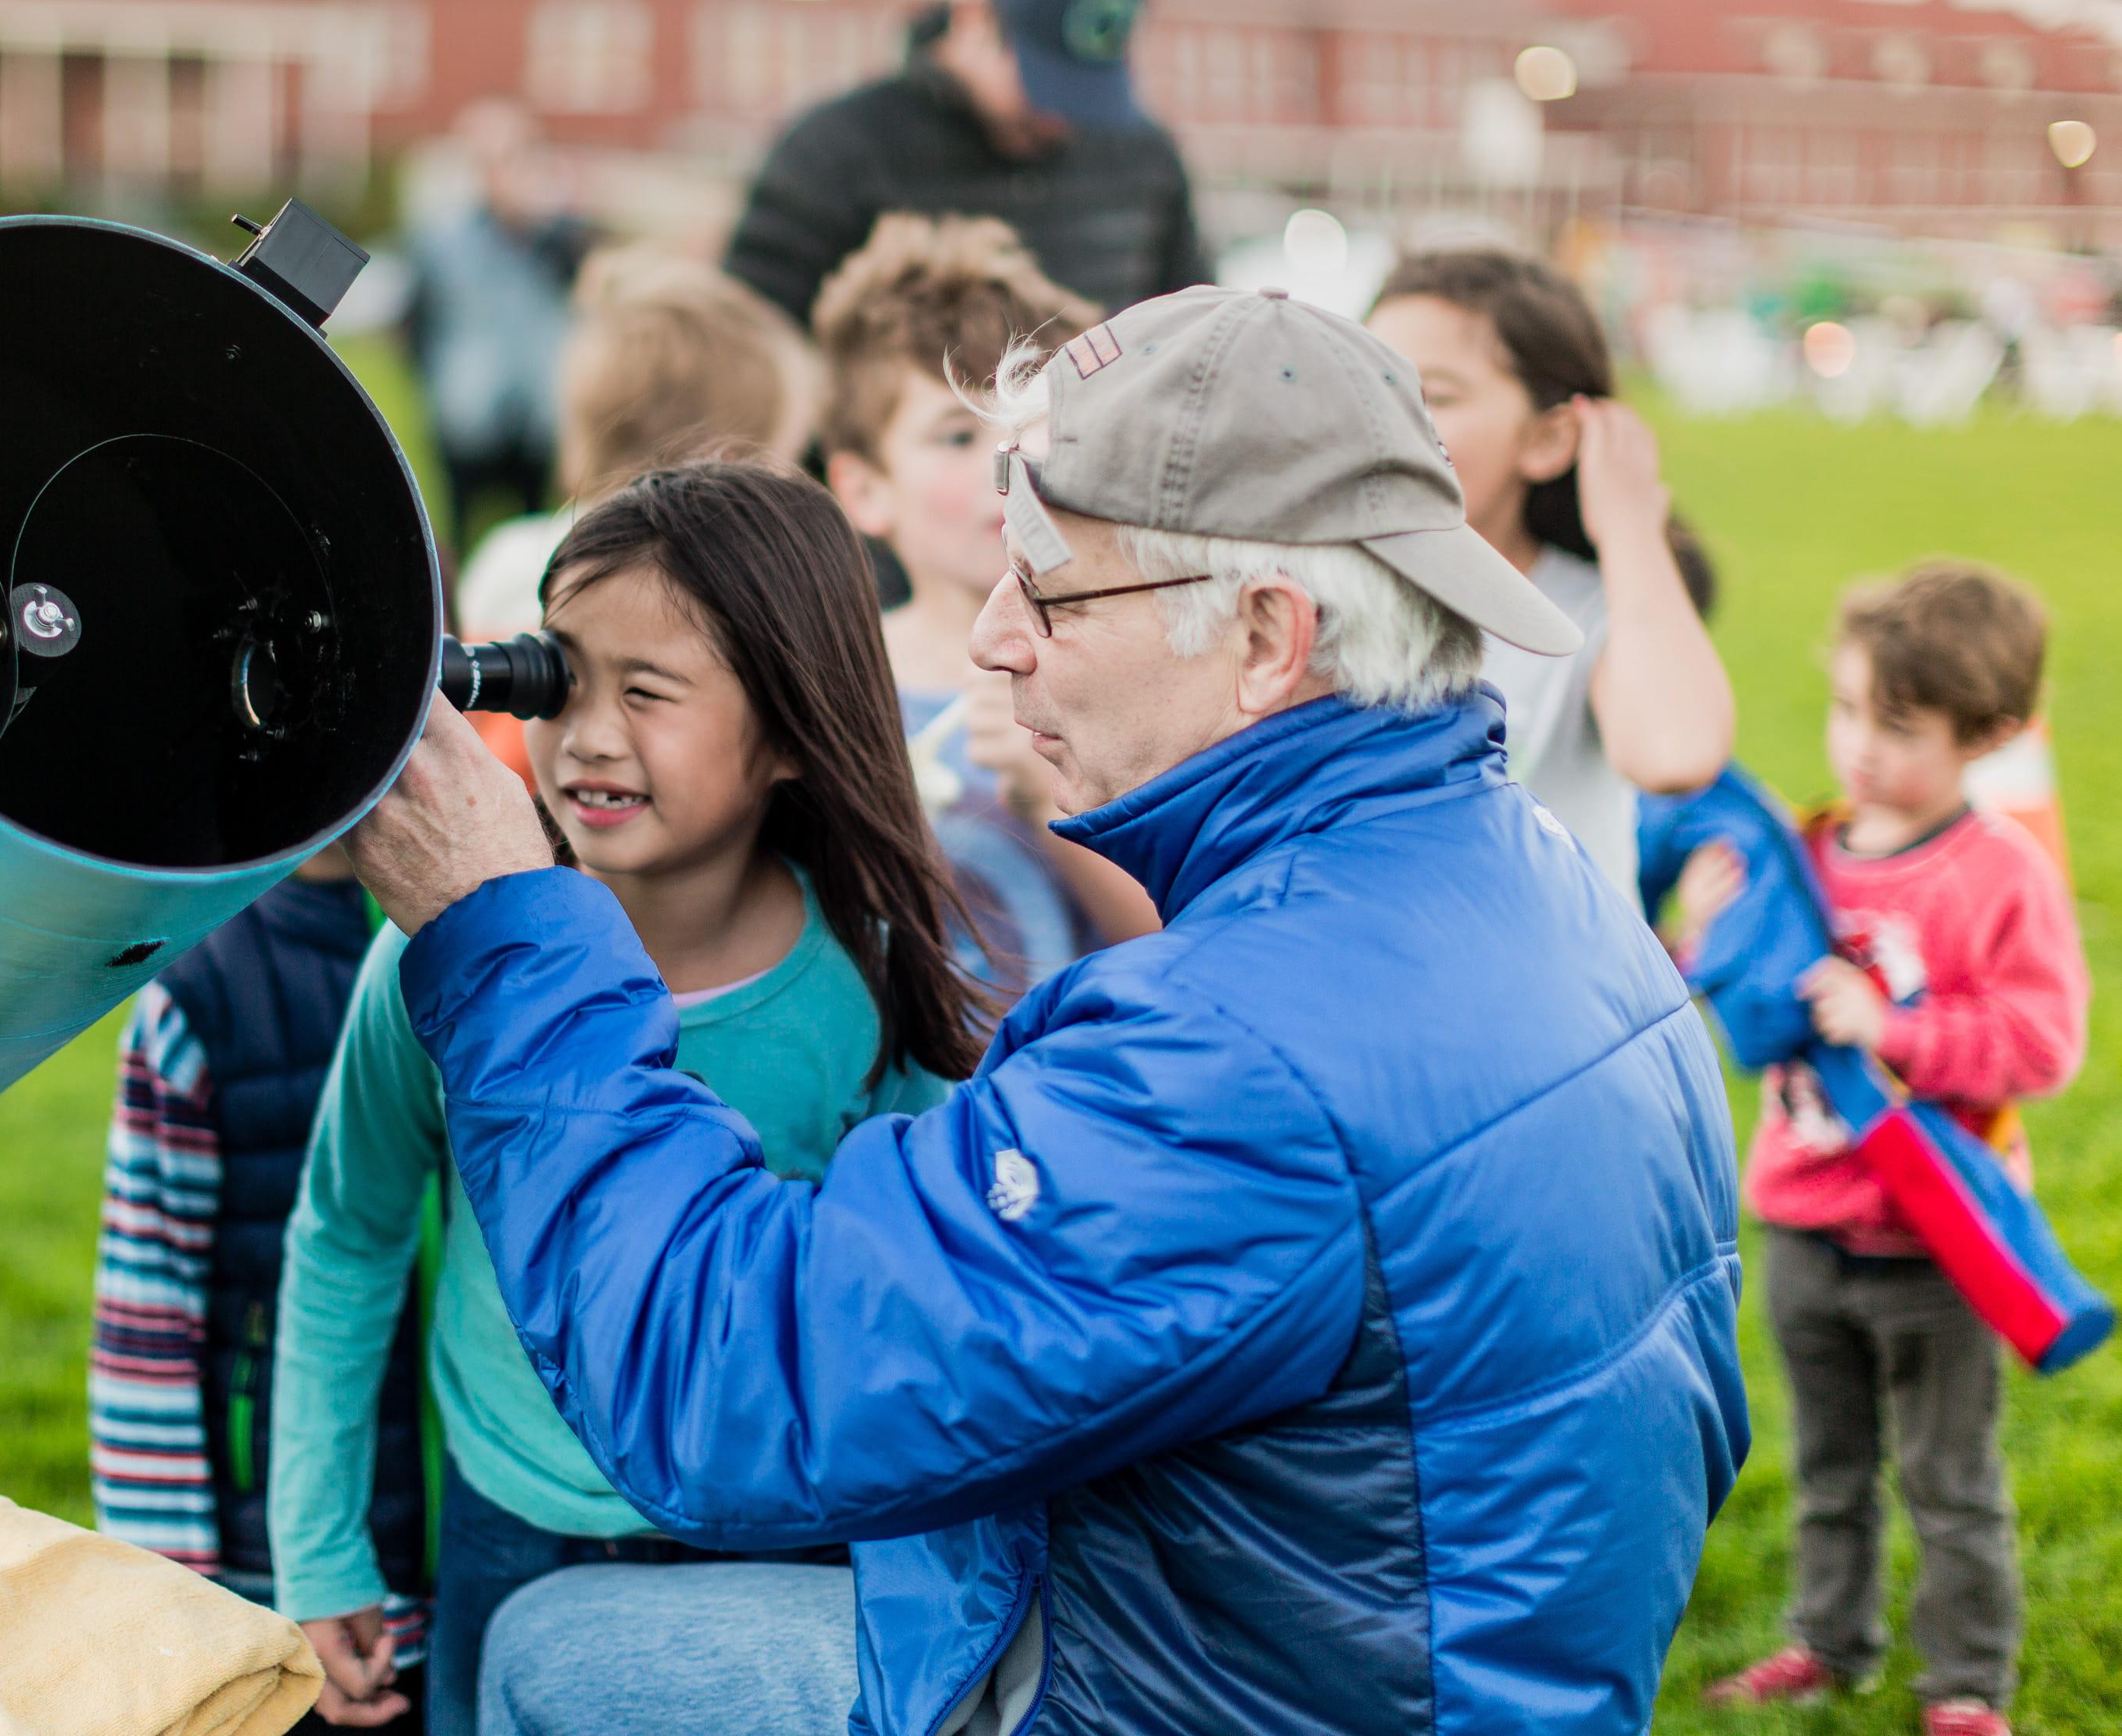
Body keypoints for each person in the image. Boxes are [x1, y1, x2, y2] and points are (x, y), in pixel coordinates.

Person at [340, 284, 1749, 1735]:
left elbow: (727, 1385)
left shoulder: (1235, 1062)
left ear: (1268, 636)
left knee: (545, 1651)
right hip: (1404, 1663)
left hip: (1213, 1691)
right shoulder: (1557, 894)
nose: (996, 641)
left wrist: (502, 929)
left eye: (1055, 591)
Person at [270, 465, 978, 1735]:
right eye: (560, 678)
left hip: (772, 1541)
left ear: (790, 732)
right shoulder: (449, 953)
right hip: (511, 1524)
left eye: (647, 694)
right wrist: (319, 1549)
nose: (588, 735)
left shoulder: (865, 991)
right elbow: (349, 1232)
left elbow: (920, 1315)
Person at [1691, 564, 2084, 1736]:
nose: (1859, 747)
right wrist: (1706, 938)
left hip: (1938, 1243)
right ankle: (1830, 1644)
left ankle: (1966, 1687)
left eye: (1899, 729)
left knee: (1950, 1484)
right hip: (1805, 1225)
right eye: (1850, 709)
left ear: (1991, 737)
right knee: (1828, 1469)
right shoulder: (1806, 846)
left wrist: (1895, 1026)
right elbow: (1744, 1014)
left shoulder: (2000, 873)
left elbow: (2044, 1042)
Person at [86, 848, 431, 1663]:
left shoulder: (482, 952)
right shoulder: (197, 994)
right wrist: (167, 1596)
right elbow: (146, 1311)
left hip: (464, 1552)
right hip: (270, 1580)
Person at [815, 212, 1157, 990]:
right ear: (864, 488)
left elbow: (1172, 938)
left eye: (1028, 431)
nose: (1002, 466)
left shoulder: (1131, 680)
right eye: (955, 437)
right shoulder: (836, 691)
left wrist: (1049, 800)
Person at [1367, 248, 1734, 899]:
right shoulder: (1305, 602)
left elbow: (1676, 752)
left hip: (1553, 995)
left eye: (1436, 395)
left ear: (1547, 439)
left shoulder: (1581, 608)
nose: (1386, 420)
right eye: (1368, 386)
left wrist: (1627, 525)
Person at [723, 0, 1206, 333]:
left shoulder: (1146, 158)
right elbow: (756, 358)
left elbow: (1187, 330)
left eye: (1087, 88)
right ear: (973, 15)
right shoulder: (834, 154)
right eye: (1043, 82)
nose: (1064, 116)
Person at [452, 247, 818, 644]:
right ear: (725, 468)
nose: (790, 479)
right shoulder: (730, 604)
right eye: (784, 460)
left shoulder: (507, 558)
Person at [403, 100, 595, 550]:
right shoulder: (443, 237)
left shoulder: (556, 234)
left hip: (536, 415)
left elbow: (582, 291)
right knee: (459, 527)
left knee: (538, 533)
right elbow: (419, 319)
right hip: (467, 411)